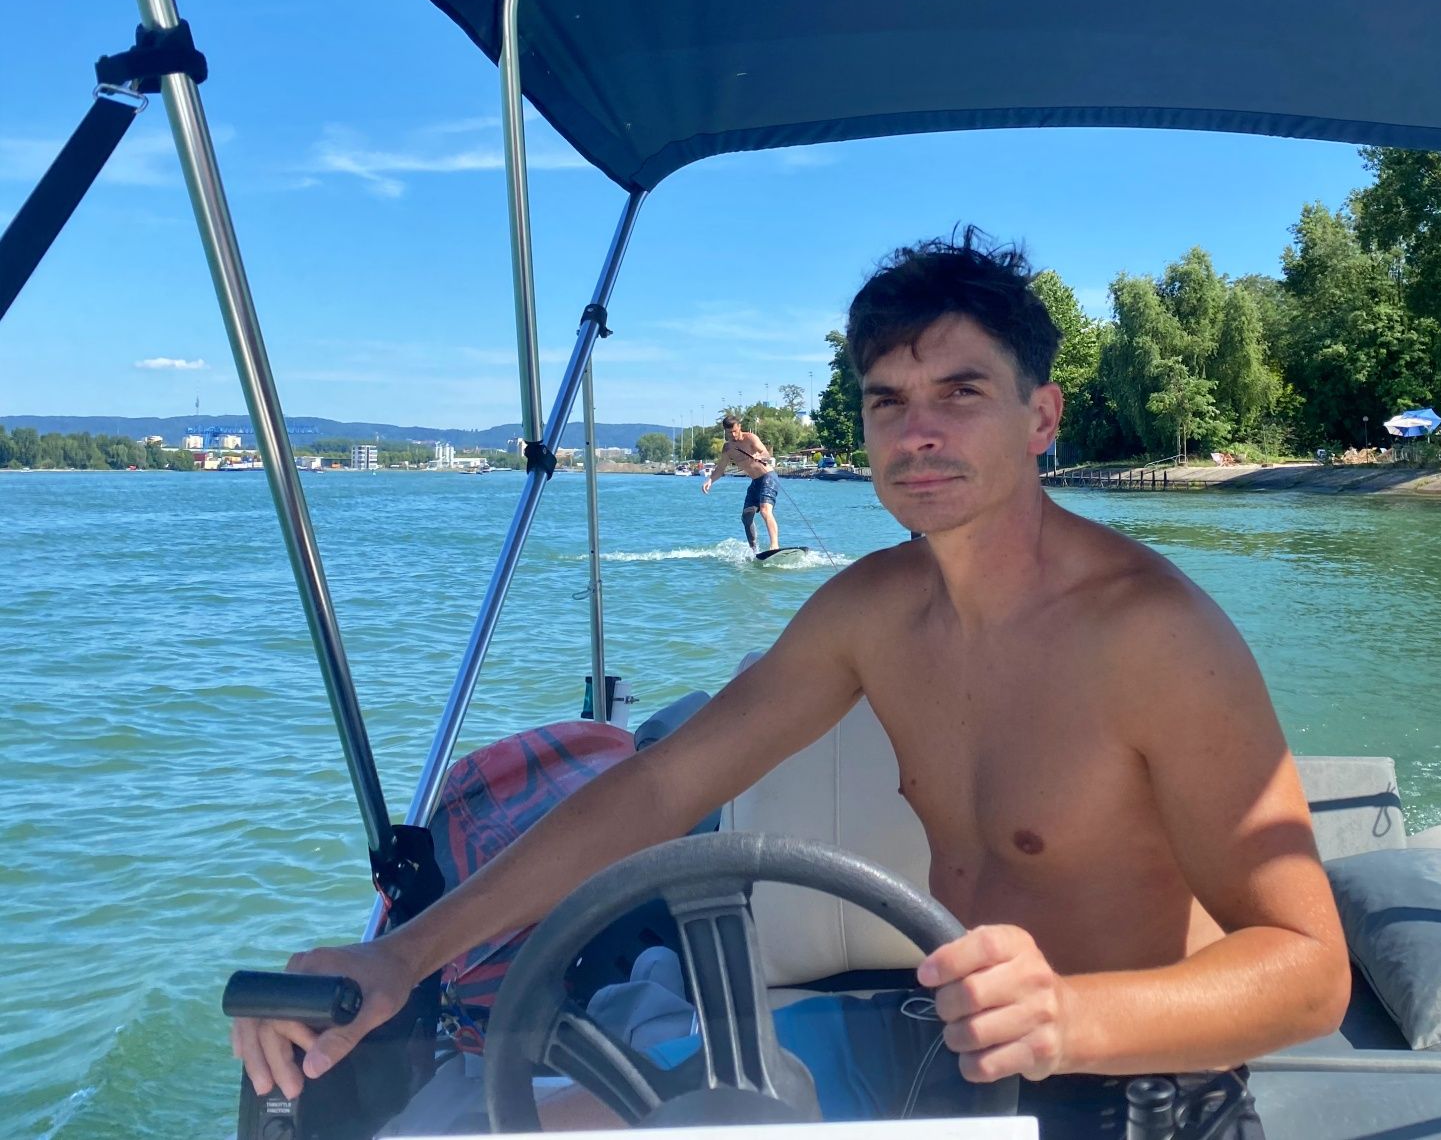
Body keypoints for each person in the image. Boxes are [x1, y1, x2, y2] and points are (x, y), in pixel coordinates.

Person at [233, 229, 1348, 1137]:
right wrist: (402, 954)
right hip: (959, 1059)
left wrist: (1069, 1016)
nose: (917, 433)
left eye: (960, 392)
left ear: (1040, 417)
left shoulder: (1154, 638)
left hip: (1139, 1092)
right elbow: (662, 788)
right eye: (885, 402)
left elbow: (1308, 975)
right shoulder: (872, 608)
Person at [704, 414, 781, 552]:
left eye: (734, 430)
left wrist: (759, 455)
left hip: (768, 477)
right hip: (755, 482)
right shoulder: (727, 448)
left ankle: (774, 545)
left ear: (739, 427)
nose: (733, 434)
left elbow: (766, 453)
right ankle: (754, 551)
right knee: (746, 516)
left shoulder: (750, 438)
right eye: (729, 432)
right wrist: (710, 480)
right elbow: (720, 468)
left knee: (765, 510)